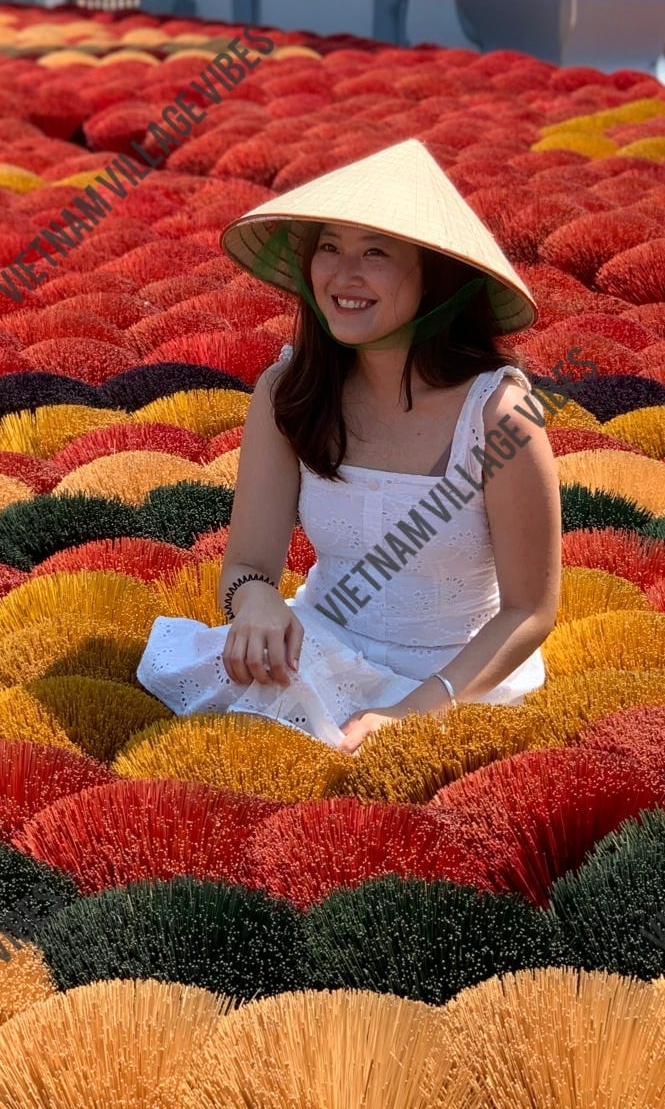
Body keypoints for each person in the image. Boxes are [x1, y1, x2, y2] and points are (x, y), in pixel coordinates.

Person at [136, 138, 561, 753]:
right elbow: (247, 565)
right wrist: (255, 605)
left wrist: (417, 711)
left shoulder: (500, 416)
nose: (343, 274)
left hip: (459, 683)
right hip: (321, 654)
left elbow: (529, 612)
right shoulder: (289, 390)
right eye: (329, 248)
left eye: (376, 253)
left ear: (436, 277)